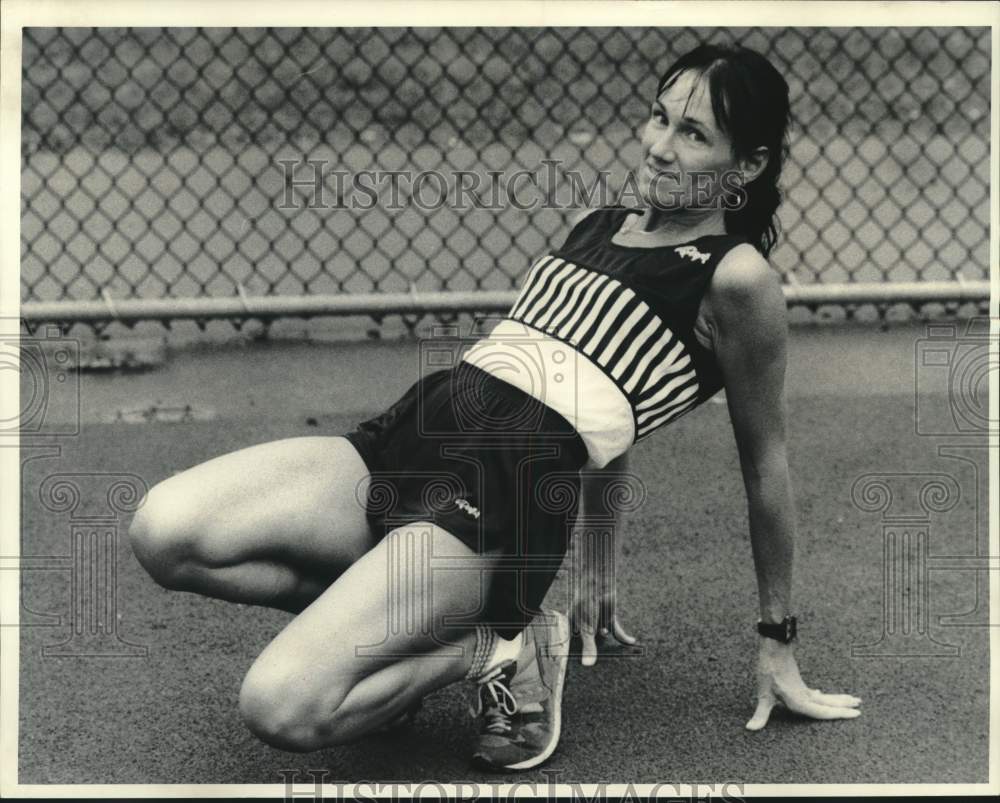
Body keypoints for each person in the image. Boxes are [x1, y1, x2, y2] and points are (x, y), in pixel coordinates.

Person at [128, 42, 862, 773]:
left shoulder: (738, 279)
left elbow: (764, 463)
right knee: (165, 531)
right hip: (407, 438)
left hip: (493, 501)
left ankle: (500, 643)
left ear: (748, 165)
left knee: (280, 706)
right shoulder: (596, 222)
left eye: (694, 134)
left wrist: (777, 640)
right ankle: (392, 647)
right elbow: (595, 387)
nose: (660, 146)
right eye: (659, 117)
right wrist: (597, 569)